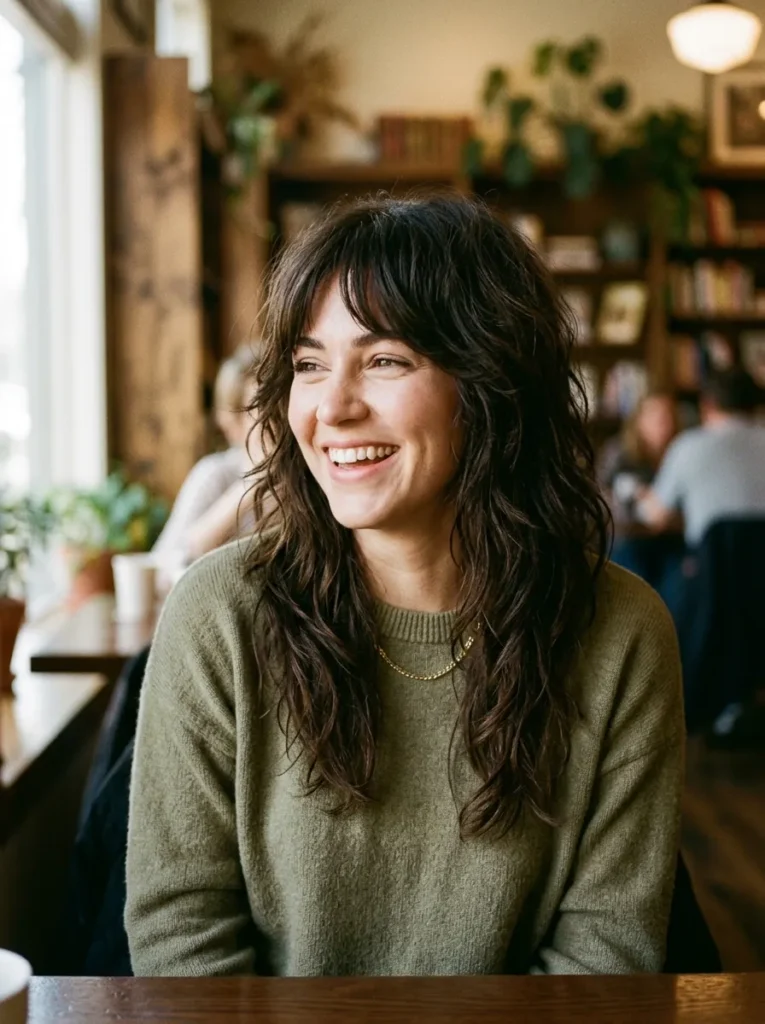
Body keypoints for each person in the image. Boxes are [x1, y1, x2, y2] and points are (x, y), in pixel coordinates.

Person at [125, 194, 684, 977]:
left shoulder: (621, 630)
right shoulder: (219, 613)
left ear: (488, 383)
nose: (332, 408)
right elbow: (182, 942)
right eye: (309, 366)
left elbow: (604, 960)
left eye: (384, 360)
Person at [152, 345, 262, 581]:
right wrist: (253, 486)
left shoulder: (311, 478)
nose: (278, 422)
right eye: (261, 411)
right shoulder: (215, 474)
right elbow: (162, 570)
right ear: (231, 423)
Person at [639, 367, 765, 546]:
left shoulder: (688, 446)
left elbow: (655, 517)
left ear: (707, 405)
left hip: (711, 569)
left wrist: (638, 496)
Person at [597, 391, 682, 588]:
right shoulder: (619, 452)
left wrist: (667, 518)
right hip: (629, 537)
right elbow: (601, 500)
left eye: (668, 415)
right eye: (655, 416)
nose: (664, 422)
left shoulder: (681, 453)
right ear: (639, 420)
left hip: (671, 538)